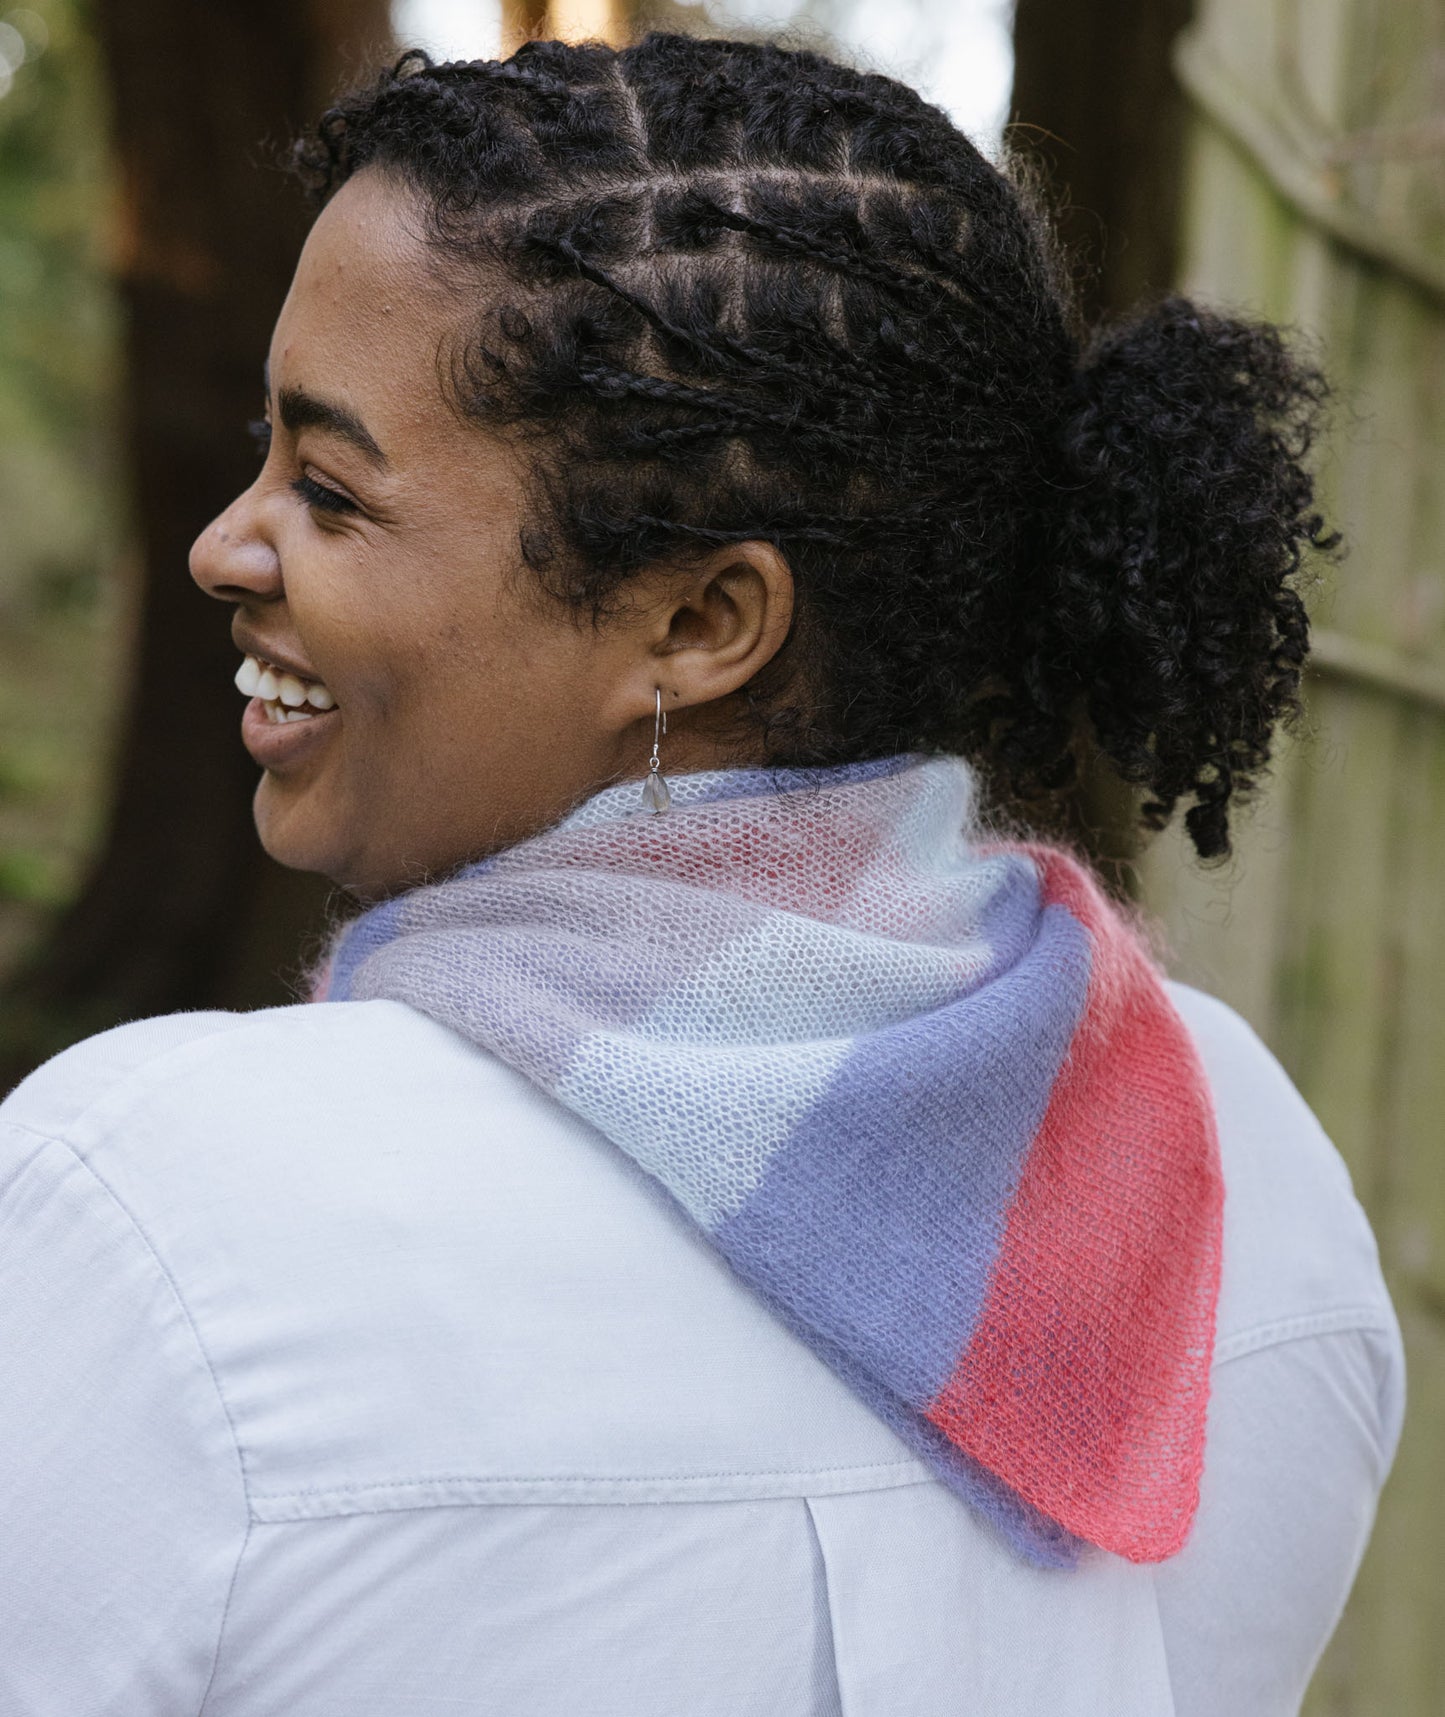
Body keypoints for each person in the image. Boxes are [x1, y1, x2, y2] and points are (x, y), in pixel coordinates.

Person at [0, 32, 1403, 1717]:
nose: (224, 543)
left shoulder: (157, 1214)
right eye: (261, 445)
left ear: (698, 623)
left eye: (330, 488)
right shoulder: (1241, 1177)